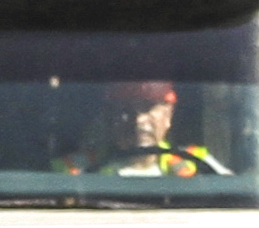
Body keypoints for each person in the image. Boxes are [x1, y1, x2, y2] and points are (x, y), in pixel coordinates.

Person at [68, 77, 223, 180]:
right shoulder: (74, 169)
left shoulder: (199, 164)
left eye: (148, 108)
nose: (138, 120)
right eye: (125, 110)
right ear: (110, 117)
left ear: (168, 115)